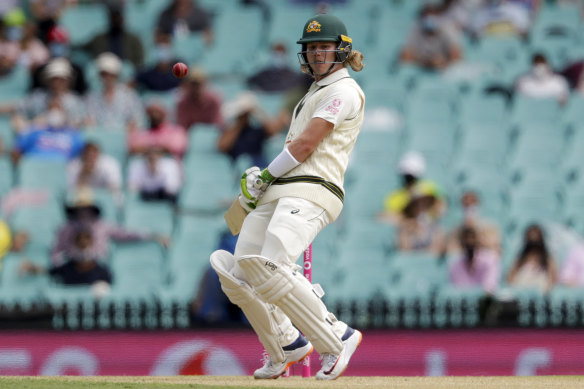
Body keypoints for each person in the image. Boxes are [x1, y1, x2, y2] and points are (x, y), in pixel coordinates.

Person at [209, 14, 365, 380]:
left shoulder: (344, 91)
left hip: (315, 188)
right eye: (311, 49)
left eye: (324, 47)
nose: (316, 55)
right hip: (283, 189)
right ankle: (285, 344)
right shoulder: (314, 91)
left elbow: (306, 145)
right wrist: (263, 183)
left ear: (341, 50)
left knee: (272, 263)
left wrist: (265, 174)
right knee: (240, 268)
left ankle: (337, 336)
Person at [51, 189, 169, 266]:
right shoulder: (66, 228)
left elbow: (126, 234)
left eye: (86, 209)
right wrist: (64, 262)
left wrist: (153, 236)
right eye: (80, 209)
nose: (83, 213)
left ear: (92, 209)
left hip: (97, 267)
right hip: (72, 267)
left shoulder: (102, 226)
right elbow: (56, 254)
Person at [10, 57, 86, 132]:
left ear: (68, 80)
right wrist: (33, 124)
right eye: (54, 78)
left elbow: (82, 125)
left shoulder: (76, 101)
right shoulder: (37, 97)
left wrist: (66, 121)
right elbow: (18, 114)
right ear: (47, 79)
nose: (57, 82)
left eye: (61, 79)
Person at [218, 92, 283, 167]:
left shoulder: (257, 129)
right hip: (239, 165)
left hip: (259, 163)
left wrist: (257, 112)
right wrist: (240, 122)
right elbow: (222, 147)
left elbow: (273, 131)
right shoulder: (230, 130)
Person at [85, 52, 144, 132]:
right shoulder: (92, 96)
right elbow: (90, 120)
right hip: (100, 138)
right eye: (104, 74)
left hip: (124, 138)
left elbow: (137, 120)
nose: (108, 77)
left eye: (111, 74)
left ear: (117, 75)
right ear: (100, 75)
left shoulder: (129, 95)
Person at [379, 151, 444, 223]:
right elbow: (389, 216)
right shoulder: (394, 197)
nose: (409, 180)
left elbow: (442, 207)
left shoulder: (431, 188)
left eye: (410, 177)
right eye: (407, 177)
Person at [400, 4, 462, 71]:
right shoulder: (416, 29)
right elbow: (405, 56)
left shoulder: (447, 29)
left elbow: (457, 56)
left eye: (433, 16)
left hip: (443, 70)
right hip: (421, 68)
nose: (430, 20)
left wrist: (443, 61)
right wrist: (426, 62)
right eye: (427, 16)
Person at [80, 4, 144, 69]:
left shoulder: (133, 39)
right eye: (114, 17)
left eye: (118, 17)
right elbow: (83, 47)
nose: (116, 20)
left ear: (122, 19)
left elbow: (139, 60)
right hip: (104, 70)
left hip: (126, 72)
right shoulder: (99, 38)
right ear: (110, 19)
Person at [30, 25, 88, 95]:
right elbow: (35, 94)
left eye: (61, 43)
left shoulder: (77, 71)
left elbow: (83, 95)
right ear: (48, 45)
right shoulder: (40, 71)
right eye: (53, 43)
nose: (57, 46)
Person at [444, 190, 502, 254]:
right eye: (466, 204)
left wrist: (477, 236)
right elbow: (451, 251)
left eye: (473, 202)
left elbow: (497, 250)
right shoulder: (455, 231)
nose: (469, 207)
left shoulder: (490, 227)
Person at [449, 225, 501, 294]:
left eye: (473, 238)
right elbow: (456, 290)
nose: (470, 242)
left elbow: (489, 288)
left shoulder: (490, 260)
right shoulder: (455, 264)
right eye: (466, 239)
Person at [507, 224, 557, 293]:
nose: (533, 238)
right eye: (531, 235)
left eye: (536, 235)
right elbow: (511, 276)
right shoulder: (521, 257)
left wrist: (548, 289)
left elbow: (553, 276)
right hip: (521, 288)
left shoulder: (547, 257)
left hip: (540, 290)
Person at [176, 66, 224, 130]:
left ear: (204, 84)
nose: (195, 87)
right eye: (192, 84)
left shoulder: (214, 100)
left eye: (198, 84)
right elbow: (182, 129)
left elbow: (217, 126)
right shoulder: (182, 104)